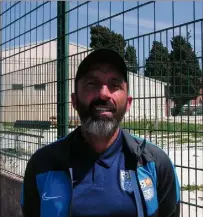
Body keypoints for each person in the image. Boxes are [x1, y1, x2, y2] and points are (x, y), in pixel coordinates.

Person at [20, 48, 180, 217]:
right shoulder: (42, 165)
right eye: (92, 84)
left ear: (128, 103)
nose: (103, 93)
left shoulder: (155, 163)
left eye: (115, 84)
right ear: (74, 100)